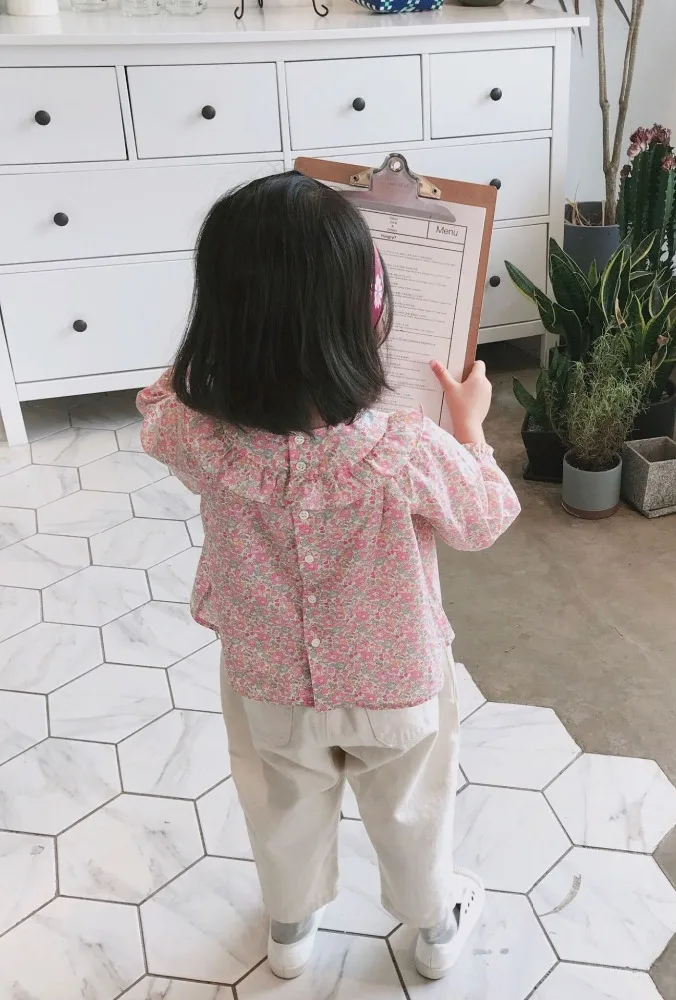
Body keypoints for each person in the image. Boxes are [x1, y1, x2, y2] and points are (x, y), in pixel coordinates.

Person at [137, 171, 520, 982]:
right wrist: (471, 429)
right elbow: (485, 517)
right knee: (413, 811)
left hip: (270, 679)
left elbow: (158, 401)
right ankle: (435, 931)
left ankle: (290, 927)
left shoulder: (197, 438)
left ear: (220, 320)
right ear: (367, 318)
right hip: (397, 682)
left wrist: (221, 356)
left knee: (281, 806)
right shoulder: (406, 448)